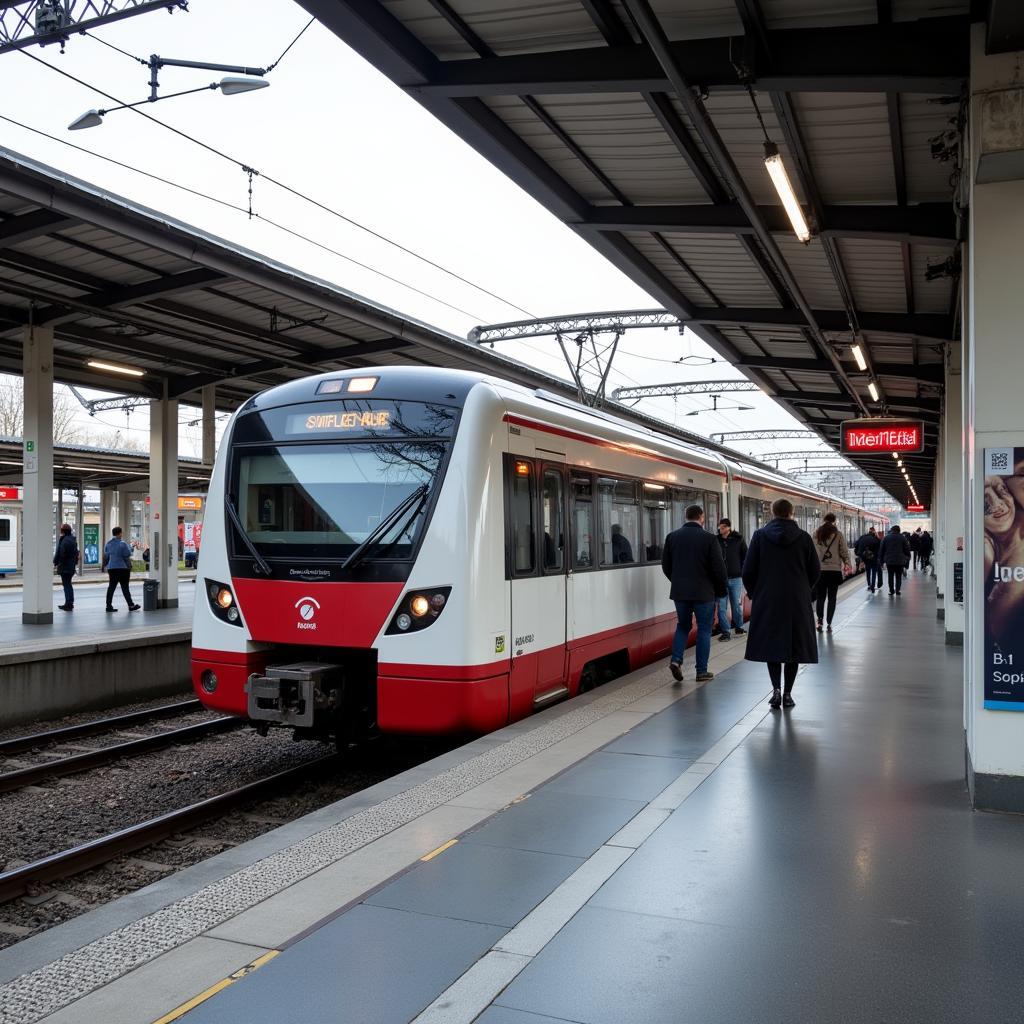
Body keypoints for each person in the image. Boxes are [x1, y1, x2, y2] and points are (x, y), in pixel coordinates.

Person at [742, 498, 819, 709]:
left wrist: (755, 592)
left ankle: (775, 690)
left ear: (772, 513)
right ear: (791, 513)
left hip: (768, 599)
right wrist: (804, 589)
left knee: (772, 645)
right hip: (796, 599)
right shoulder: (804, 538)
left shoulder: (759, 536)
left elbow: (748, 571)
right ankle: (788, 694)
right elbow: (815, 570)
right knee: (793, 647)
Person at [661, 504, 727, 683]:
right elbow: (719, 569)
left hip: (680, 592)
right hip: (704, 593)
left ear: (686, 516)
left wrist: (677, 582)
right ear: (701, 517)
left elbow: (666, 566)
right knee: (704, 629)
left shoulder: (672, 537)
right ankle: (701, 671)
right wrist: (720, 591)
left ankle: (676, 660)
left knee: (683, 626)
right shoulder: (709, 539)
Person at [813, 512, 852, 632]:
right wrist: (847, 564)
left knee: (820, 597)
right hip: (834, 571)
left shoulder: (816, 534)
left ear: (824, 520)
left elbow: (812, 551)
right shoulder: (838, 534)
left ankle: (819, 621)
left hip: (820, 570)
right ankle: (829, 622)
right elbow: (844, 552)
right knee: (832, 598)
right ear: (834, 521)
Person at [714, 517, 747, 642]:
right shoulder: (715, 541)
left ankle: (739, 627)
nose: (720, 529)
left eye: (723, 527)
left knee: (736, 605)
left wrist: (742, 571)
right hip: (720, 580)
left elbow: (746, 556)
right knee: (721, 607)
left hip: (736, 578)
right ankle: (726, 632)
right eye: (719, 527)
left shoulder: (738, 539)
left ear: (728, 527)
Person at [103, 526, 140, 612]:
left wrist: (108, 565)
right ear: (120, 533)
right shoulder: (122, 544)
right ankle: (131, 605)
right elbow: (127, 555)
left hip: (112, 568)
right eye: (121, 533)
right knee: (125, 587)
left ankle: (108, 606)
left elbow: (107, 556)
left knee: (111, 588)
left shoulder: (108, 544)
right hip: (122, 568)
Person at [53, 523, 79, 612]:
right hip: (71, 566)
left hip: (65, 566)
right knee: (68, 585)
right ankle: (69, 603)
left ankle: (69, 604)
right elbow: (76, 554)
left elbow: (61, 553)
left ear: (63, 531)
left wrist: (56, 562)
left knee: (66, 585)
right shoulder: (73, 540)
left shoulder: (64, 540)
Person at [879, 525, 911, 596]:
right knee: (898, 576)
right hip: (900, 561)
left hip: (889, 561)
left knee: (890, 576)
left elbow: (881, 550)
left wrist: (881, 561)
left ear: (892, 530)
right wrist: (908, 558)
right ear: (899, 530)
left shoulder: (886, 538)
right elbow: (907, 549)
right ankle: (897, 590)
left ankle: (891, 590)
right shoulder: (903, 538)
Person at [854, 526, 881, 592]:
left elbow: (855, 544)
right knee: (874, 572)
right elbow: (880, 546)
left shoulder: (862, 537)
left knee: (868, 571)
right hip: (874, 557)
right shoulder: (875, 539)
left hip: (865, 557)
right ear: (874, 534)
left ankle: (869, 584)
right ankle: (873, 586)